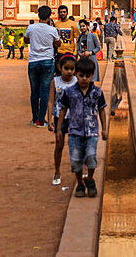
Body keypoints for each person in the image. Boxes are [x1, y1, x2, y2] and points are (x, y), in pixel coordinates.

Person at [54, 56, 107, 199]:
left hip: (92, 131)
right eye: (81, 75)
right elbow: (63, 109)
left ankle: (89, 178)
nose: (84, 79)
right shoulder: (70, 92)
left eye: (87, 76)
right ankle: (79, 183)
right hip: (75, 131)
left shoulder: (97, 92)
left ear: (92, 75)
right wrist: (59, 129)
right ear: (76, 74)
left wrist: (104, 128)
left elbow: (101, 109)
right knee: (76, 160)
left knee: (91, 157)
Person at [25, 6, 61, 127]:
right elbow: (58, 43)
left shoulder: (31, 27)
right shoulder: (52, 30)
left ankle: (34, 118)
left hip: (34, 61)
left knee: (34, 91)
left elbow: (26, 40)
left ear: (38, 15)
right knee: (45, 91)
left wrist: (35, 42)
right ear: (49, 16)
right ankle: (41, 120)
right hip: (47, 61)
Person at [46, 53, 77, 186]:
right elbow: (51, 100)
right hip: (60, 117)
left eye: (72, 69)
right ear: (60, 68)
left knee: (76, 144)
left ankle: (80, 169)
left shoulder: (77, 81)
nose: (69, 72)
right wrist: (49, 118)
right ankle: (57, 171)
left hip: (75, 117)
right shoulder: (55, 81)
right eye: (66, 69)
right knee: (59, 144)